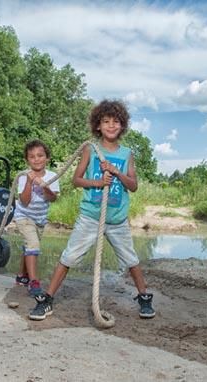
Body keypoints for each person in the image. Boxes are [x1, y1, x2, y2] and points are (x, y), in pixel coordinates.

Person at [29, 99, 155, 321]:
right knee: (69, 256)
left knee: (130, 259)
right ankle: (47, 299)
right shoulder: (90, 149)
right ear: (98, 125)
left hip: (117, 219)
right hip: (90, 216)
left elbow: (133, 186)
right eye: (106, 121)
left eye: (116, 121)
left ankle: (144, 297)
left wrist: (116, 172)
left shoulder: (127, 154)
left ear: (122, 125)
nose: (111, 125)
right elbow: (77, 180)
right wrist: (97, 183)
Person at [14, 140, 60, 296]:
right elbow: (25, 202)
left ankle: (22, 276)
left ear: (47, 158)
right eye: (32, 156)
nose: (36, 159)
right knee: (33, 244)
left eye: (40, 155)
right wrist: (29, 181)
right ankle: (34, 282)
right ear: (27, 160)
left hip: (40, 218)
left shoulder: (52, 176)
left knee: (29, 246)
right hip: (24, 215)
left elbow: (53, 198)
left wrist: (43, 185)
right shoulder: (22, 176)